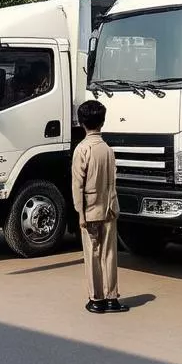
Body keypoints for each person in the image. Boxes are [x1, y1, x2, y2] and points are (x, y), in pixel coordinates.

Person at [71, 99, 127, 314]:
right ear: (102, 122)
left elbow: (78, 185)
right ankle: (112, 297)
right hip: (110, 208)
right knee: (109, 254)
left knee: (92, 254)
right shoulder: (108, 150)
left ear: (82, 123)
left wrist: (80, 213)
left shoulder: (82, 150)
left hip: (90, 210)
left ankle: (97, 299)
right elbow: (113, 181)